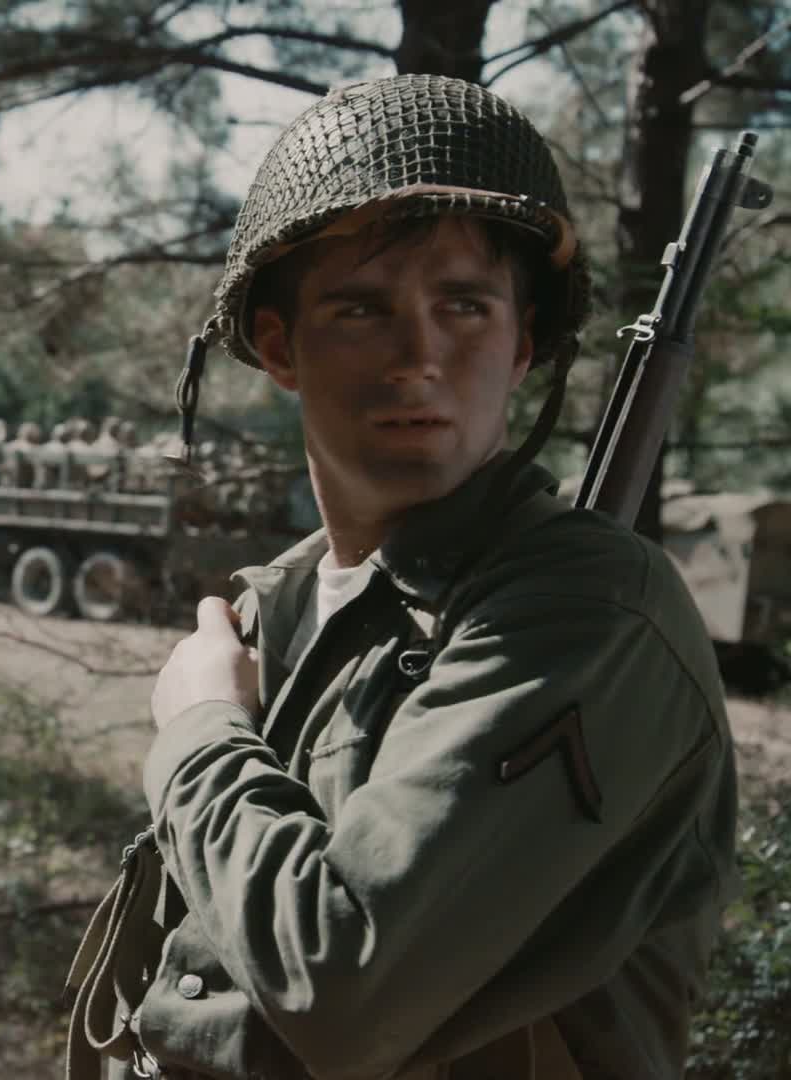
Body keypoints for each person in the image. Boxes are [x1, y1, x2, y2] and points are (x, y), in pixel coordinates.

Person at [65, 75, 738, 1079]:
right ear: (279, 344)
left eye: (464, 306)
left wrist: (201, 732)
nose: (418, 355)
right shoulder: (273, 608)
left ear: (524, 344)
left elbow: (339, 984)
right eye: (361, 309)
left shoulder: (589, 610)